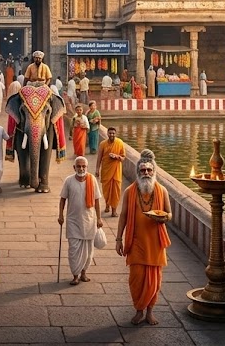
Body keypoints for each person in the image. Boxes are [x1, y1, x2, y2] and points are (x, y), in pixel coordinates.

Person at [116, 149, 171, 326]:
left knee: (154, 281)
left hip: (155, 243)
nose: (146, 173)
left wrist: (163, 217)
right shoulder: (130, 192)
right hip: (136, 242)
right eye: (143, 170)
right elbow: (123, 215)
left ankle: (149, 312)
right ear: (138, 172)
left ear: (154, 172)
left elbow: (169, 214)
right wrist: (118, 239)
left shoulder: (162, 191)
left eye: (149, 170)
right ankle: (139, 311)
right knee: (136, 278)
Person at [58, 156, 104, 285]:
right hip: (73, 221)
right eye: (78, 166)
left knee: (88, 250)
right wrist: (60, 215)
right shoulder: (69, 181)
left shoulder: (92, 180)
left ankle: (83, 273)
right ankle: (75, 275)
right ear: (74, 168)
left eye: (83, 166)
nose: (81, 168)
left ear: (87, 167)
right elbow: (62, 199)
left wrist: (99, 218)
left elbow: (96, 200)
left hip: (89, 221)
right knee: (74, 249)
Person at [96, 126, 126, 218]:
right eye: (110, 133)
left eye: (113, 133)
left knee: (116, 191)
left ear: (115, 134)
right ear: (107, 134)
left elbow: (123, 157)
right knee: (106, 190)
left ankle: (114, 211)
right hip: (106, 170)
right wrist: (97, 169)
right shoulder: (102, 144)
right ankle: (107, 205)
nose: (111, 135)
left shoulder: (120, 143)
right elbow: (99, 158)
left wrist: (116, 157)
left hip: (116, 171)